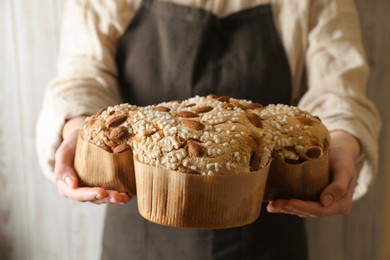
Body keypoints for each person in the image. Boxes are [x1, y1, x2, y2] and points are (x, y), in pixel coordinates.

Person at [36, 0, 381, 259]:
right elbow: (84, 72)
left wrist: (341, 142)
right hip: (139, 230)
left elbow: (338, 87)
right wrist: (77, 130)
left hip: (270, 230)